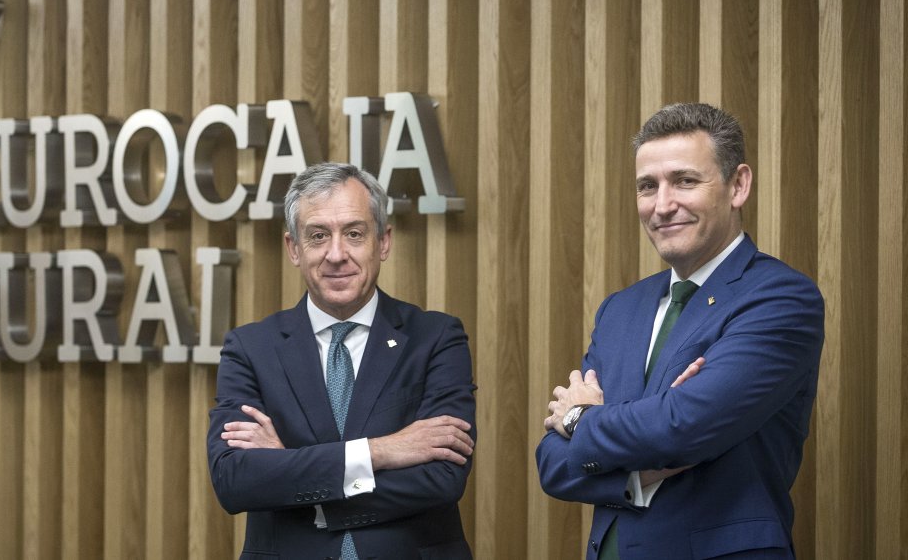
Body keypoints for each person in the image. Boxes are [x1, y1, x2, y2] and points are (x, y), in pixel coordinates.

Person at [536, 103, 824, 559]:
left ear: (738, 185)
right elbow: (551, 464)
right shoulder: (621, 309)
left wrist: (579, 420)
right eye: (648, 186)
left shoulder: (780, 298)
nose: (663, 205)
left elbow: (684, 427)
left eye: (685, 181)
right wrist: (641, 471)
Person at [208, 162, 477, 560]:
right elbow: (235, 480)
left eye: (354, 233)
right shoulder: (251, 348)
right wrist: (381, 452)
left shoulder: (436, 338)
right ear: (294, 248)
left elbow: (442, 477)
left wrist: (289, 473)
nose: (337, 254)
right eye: (318, 236)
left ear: (383, 242)